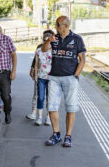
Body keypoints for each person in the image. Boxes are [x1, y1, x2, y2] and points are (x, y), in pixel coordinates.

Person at [42, 16, 86, 147]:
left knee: (70, 108)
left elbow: (82, 60)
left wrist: (75, 76)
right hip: (54, 78)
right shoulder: (54, 38)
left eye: (58, 25)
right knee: (51, 107)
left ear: (66, 26)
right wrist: (49, 41)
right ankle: (56, 134)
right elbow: (44, 49)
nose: (56, 27)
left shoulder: (77, 39)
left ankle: (68, 136)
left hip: (70, 78)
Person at [34, 30, 54, 126]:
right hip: (41, 77)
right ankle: (40, 117)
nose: (47, 43)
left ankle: (48, 117)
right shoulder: (38, 51)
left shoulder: (54, 51)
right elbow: (36, 63)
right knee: (41, 98)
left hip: (51, 78)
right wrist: (35, 75)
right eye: (45, 40)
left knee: (49, 99)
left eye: (49, 41)